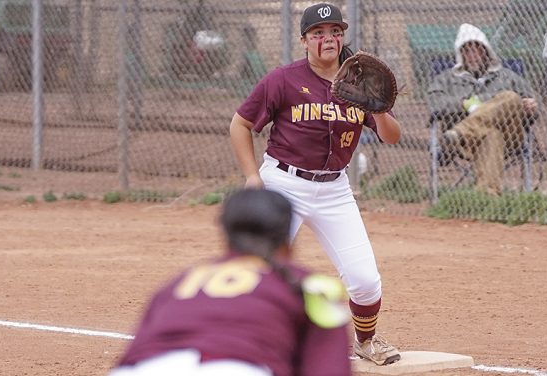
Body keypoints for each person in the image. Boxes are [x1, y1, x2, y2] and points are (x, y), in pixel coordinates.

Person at [229, 2, 402, 367]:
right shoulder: (283, 79)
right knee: (260, 268)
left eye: (336, 32)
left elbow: (392, 138)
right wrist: (251, 176)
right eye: (319, 33)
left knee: (364, 279)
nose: (328, 38)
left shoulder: (356, 84)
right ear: (305, 41)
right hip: (283, 183)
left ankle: (365, 342)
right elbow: (240, 125)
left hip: (334, 189)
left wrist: (380, 107)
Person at [108, 188, 352, 376]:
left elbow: (132, 355)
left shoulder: (177, 284)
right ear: (289, 243)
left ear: (226, 240)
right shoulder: (308, 285)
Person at [427, 23, 539, 196]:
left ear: (486, 52)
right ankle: (486, 198)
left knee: (511, 97)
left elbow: (528, 106)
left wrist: (531, 107)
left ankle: (461, 132)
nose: (472, 56)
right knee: (492, 134)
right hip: (467, 145)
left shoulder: (508, 77)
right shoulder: (446, 79)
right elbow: (435, 104)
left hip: (510, 138)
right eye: (467, 51)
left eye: (477, 50)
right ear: (460, 55)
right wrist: (464, 104)